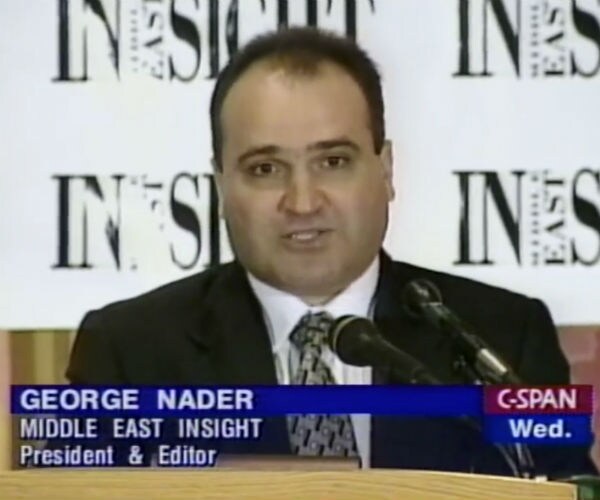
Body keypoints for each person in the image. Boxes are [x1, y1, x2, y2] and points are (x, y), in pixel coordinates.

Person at [67, 27, 596, 475]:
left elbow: (567, 485)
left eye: (334, 162)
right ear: (221, 186)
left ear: (385, 170)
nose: (302, 202)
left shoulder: (503, 336)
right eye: (265, 169)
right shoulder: (128, 352)